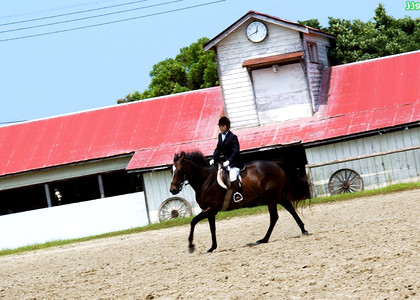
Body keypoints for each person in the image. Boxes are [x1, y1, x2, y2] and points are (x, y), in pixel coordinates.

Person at [210, 116, 245, 202]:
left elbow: (236, 151)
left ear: (227, 126)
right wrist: (213, 158)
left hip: (235, 162)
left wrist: (229, 161)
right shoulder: (220, 136)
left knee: (232, 177)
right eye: (220, 126)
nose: (221, 128)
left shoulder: (233, 137)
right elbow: (218, 149)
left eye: (223, 126)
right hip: (226, 162)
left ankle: (238, 194)